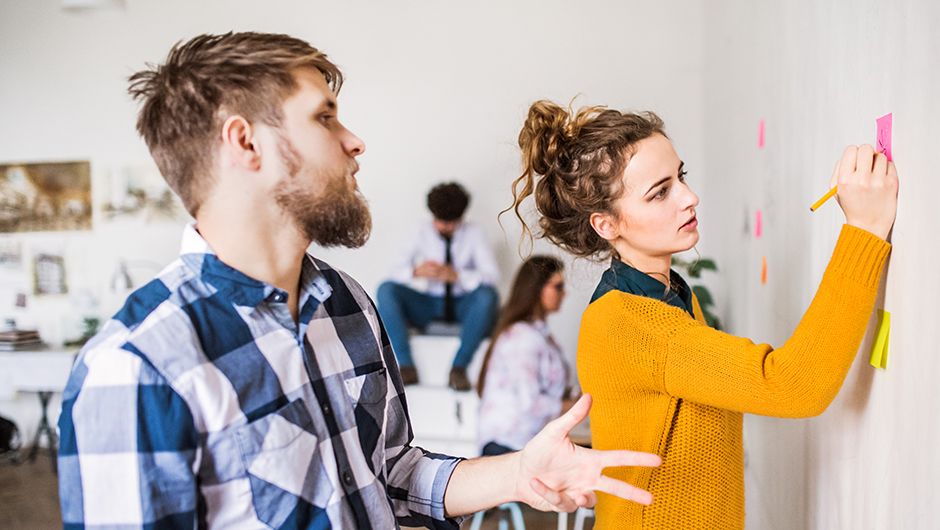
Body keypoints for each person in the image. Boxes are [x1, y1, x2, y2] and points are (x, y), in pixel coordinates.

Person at [56, 33, 663, 529]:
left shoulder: (345, 304)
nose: (354, 142)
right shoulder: (136, 366)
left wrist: (519, 473)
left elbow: (392, 476)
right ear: (245, 142)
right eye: (324, 118)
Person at [510, 100, 898, 529]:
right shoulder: (633, 324)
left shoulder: (669, 295)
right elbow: (795, 385)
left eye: (681, 177)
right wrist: (863, 231)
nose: (689, 198)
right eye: (660, 192)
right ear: (606, 225)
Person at [377, 182, 499, 390]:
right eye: (439, 221)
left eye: (450, 223)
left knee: (487, 297)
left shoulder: (474, 233)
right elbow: (392, 272)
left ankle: (458, 368)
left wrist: (458, 276)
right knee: (386, 290)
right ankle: (406, 366)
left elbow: (492, 277)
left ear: (460, 218)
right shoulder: (420, 230)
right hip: (429, 304)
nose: (443, 227)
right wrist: (416, 272)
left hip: (463, 305)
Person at [476, 255, 575, 457]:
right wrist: (576, 407)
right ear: (537, 288)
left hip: (523, 445)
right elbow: (528, 401)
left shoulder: (539, 335)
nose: (564, 293)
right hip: (509, 446)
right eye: (558, 286)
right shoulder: (522, 337)